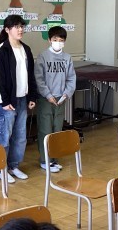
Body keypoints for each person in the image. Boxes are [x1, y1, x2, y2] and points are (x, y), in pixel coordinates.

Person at [0, 15, 38, 183]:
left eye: (21, 26)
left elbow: (30, 75)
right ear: (7, 30)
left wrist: (32, 96)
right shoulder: (1, 50)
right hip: (6, 102)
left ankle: (13, 166)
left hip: (22, 99)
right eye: (16, 27)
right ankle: (0, 169)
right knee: (3, 136)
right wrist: (3, 101)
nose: (20, 29)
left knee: (20, 136)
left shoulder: (26, 49)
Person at [34, 26, 76, 172]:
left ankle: (54, 159)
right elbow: (39, 79)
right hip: (46, 99)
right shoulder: (43, 56)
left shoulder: (67, 58)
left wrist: (66, 94)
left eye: (61, 40)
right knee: (45, 130)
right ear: (49, 40)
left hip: (60, 99)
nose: (58, 42)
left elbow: (71, 78)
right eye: (55, 39)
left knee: (57, 129)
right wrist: (48, 95)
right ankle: (45, 160)